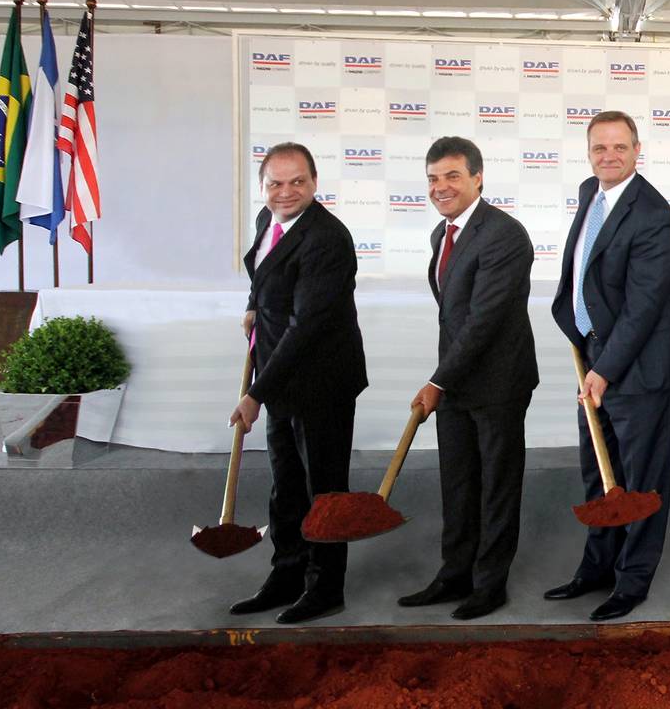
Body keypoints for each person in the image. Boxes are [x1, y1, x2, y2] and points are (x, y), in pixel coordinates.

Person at [545, 110, 670, 622]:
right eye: (600, 148)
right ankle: (596, 567)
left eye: (619, 148)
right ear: (589, 152)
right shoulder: (591, 193)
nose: (609, 156)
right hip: (596, 357)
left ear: (637, 149)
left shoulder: (652, 213)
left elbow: (644, 305)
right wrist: (584, 345)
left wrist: (604, 368)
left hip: (640, 367)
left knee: (641, 483)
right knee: (599, 475)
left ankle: (632, 581)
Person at [397, 136, 538, 621]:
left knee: (496, 485)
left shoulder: (504, 235)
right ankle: (453, 574)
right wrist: (446, 380)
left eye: (452, 176)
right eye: (433, 178)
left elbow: (484, 320)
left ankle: (489, 584)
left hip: (498, 382)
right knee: (457, 482)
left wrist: (437, 381)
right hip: (457, 380)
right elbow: (452, 317)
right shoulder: (443, 234)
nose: (441, 187)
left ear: (478, 178)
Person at [228, 142, 368, 624]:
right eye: (275, 183)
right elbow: (264, 270)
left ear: (314, 183)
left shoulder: (327, 238)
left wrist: (255, 395)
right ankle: (286, 574)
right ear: (263, 185)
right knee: (285, 488)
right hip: (282, 378)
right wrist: (254, 304)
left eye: (297, 182)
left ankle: (326, 587)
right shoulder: (272, 220)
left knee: (323, 489)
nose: (285, 192)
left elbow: (306, 325)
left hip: (321, 381)